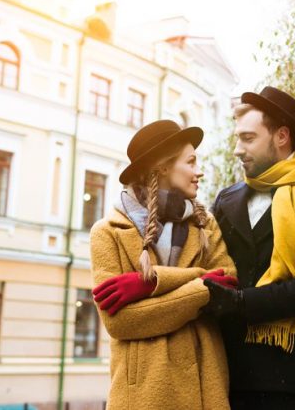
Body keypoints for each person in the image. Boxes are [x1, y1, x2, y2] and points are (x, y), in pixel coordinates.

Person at [204, 86, 295, 410]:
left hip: (281, 383)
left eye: (247, 138)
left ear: (282, 136)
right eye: (237, 139)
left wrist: (243, 303)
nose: (237, 149)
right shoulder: (225, 199)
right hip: (218, 375)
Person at [89, 119, 237, 410]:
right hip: (142, 397)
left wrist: (153, 281)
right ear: (163, 167)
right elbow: (119, 322)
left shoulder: (205, 225)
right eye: (191, 162)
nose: (199, 171)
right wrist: (201, 283)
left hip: (205, 389)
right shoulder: (107, 232)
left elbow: (228, 284)